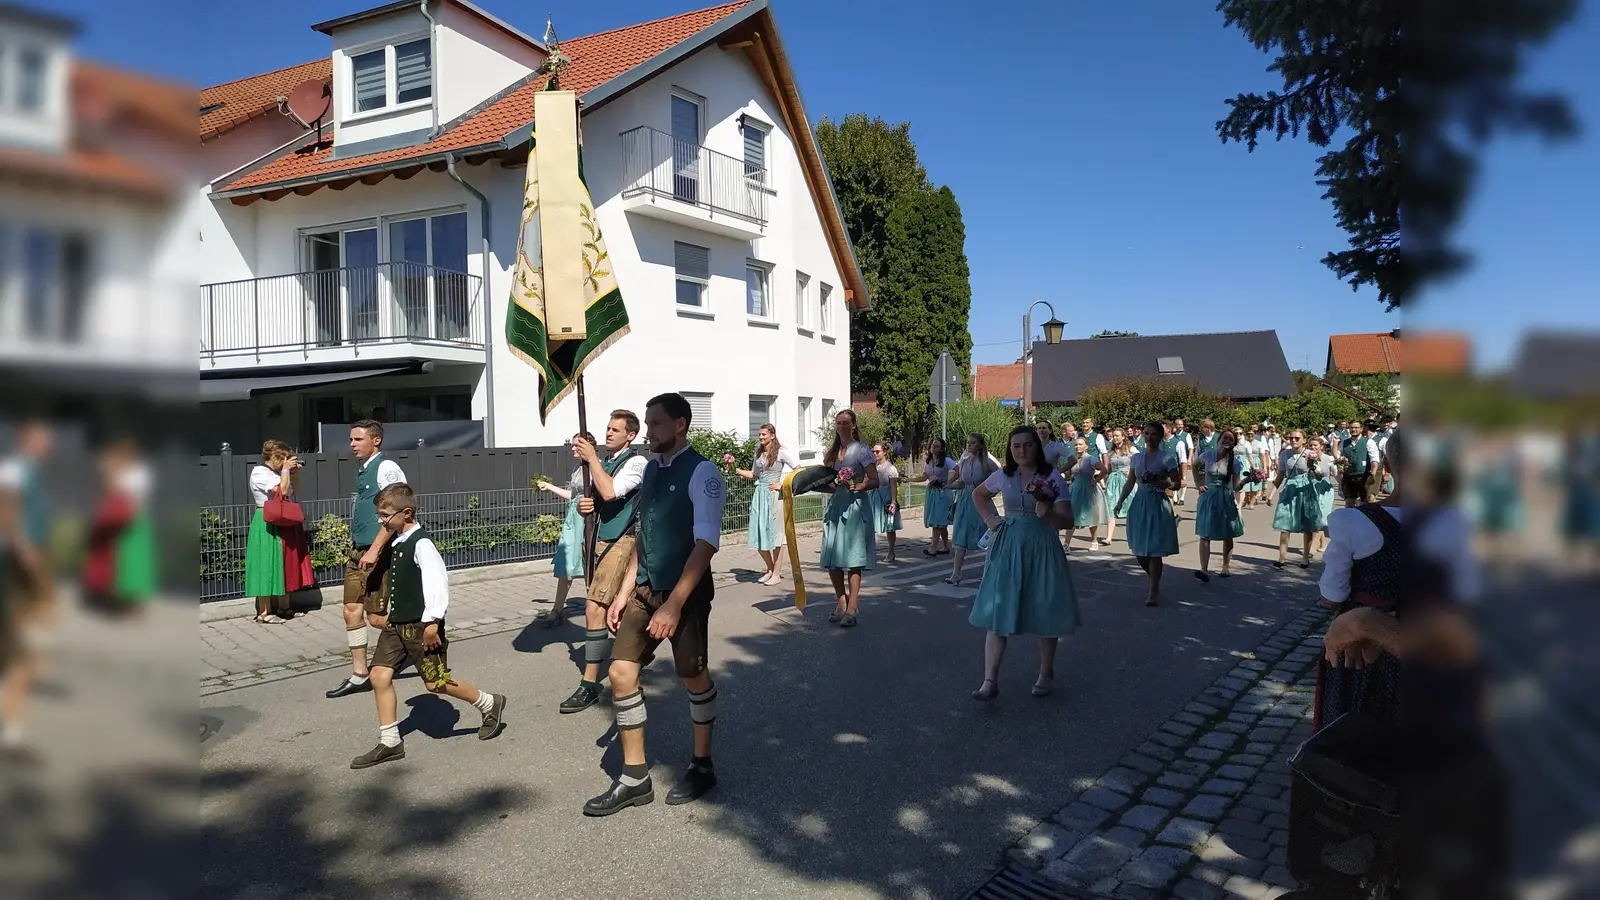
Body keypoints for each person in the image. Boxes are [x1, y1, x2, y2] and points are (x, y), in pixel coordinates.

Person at [588, 392, 726, 815]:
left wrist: (674, 605)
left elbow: (705, 545)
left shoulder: (703, 473)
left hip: (684, 595)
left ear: (680, 424)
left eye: (656, 424)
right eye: (647, 424)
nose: (649, 432)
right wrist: (626, 591)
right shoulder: (649, 470)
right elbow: (644, 537)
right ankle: (634, 777)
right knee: (621, 672)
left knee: (692, 675)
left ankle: (702, 765)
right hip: (646, 591)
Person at [349, 483, 507, 768]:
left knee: (436, 683)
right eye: (379, 515)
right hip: (396, 625)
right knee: (379, 676)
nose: (381, 522)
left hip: (422, 627)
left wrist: (432, 623)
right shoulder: (397, 541)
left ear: (406, 513)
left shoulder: (421, 543)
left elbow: (436, 584)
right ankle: (390, 741)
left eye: (385, 515)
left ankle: (488, 702)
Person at [968, 426, 1079, 701]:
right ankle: (989, 680)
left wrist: (1050, 513)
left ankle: (1046, 672)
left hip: (1042, 544)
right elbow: (978, 495)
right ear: (1010, 448)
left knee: (1045, 606)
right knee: (999, 607)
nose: (1022, 451)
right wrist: (991, 520)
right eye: (1016, 446)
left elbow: (1068, 520)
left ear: (1036, 447)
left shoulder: (1051, 475)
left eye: (1027, 445)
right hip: (1009, 544)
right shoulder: (1004, 475)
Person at [558, 410, 648, 715]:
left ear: (631, 435)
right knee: (611, 611)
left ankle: (590, 683)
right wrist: (587, 505)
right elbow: (598, 499)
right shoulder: (604, 463)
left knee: (593, 607)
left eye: (615, 429)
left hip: (621, 541)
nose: (608, 433)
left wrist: (592, 460)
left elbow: (611, 492)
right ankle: (629, 672)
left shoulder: (636, 463)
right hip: (596, 539)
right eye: (607, 428)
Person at [328, 420, 406, 699]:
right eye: (351, 439)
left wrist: (375, 549)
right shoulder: (362, 470)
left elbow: (399, 510)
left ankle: (414, 637)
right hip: (358, 550)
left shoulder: (386, 468)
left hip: (379, 551)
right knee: (351, 610)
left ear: (376, 441)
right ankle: (360, 674)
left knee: (375, 618)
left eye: (358, 439)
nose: (352, 444)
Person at [819, 410, 879, 627]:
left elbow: (875, 480)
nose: (842, 426)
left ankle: (853, 606)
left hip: (855, 507)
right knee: (832, 558)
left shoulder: (861, 450)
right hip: (837, 506)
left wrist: (857, 485)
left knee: (853, 561)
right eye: (839, 423)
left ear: (853, 426)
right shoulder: (834, 452)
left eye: (846, 423)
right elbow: (828, 481)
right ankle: (840, 601)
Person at [1115, 422, 1183, 606]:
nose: (1149, 437)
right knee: (1139, 550)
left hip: (1158, 502)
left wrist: (1162, 482)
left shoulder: (1167, 458)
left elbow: (1177, 483)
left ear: (1160, 437)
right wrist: (1120, 501)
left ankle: (1153, 589)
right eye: (1147, 433)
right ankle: (1155, 578)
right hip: (1140, 503)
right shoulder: (1136, 458)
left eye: (1153, 434)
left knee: (1153, 550)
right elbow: (1130, 482)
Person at [534, 432, 595, 625]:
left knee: (590, 565)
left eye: (577, 445)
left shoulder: (596, 466)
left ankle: (595, 610)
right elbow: (572, 495)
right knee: (566, 562)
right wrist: (549, 487)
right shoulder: (578, 468)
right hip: (574, 518)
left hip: (588, 518)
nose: (573, 448)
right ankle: (557, 610)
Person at [736, 424, 799, 586]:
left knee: (776, 535)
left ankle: (777, 574)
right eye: (760, 434)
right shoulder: (759, 453)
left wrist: (783, 484)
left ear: (772, 435)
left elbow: (798, 470)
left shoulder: (781, 452)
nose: (761, 437)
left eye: (764, 434)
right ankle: (770, 569)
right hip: (760, 494)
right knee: (758, 532)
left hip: (774, 495)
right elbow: (754, 474)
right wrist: (735, 469)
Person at [245, 441, 300, 624]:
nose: (286, 463)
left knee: (283, 562)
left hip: (281, 519)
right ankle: (264, 612)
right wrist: (285, 471)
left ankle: (285, 607)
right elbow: (282, 491)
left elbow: (294, 491)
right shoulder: (259, 472)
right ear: (275, 457)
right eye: (283, 459)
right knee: (265, 562)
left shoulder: (278, 474)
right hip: (266, 520)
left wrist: (293, 473)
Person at [1272, 430, 1334, 568]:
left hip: (1306, 490)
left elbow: (1318, 475)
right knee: (1284, 524)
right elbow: (1281, 475)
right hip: (1290, 490)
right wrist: (1272, 493)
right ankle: (1282, 558)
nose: (1293, 440)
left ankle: (1305, 558)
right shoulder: (1285, 454)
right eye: (1291, 438)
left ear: (1304, 440)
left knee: (1307, 526)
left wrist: (1313, 466)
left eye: (1296, 438)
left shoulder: (1310, 454)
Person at [1191, 428, 1245, 581]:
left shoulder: (1234, 462)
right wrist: (1198, 482)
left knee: (1227, 533)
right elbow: (1195, 465)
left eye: (1230, 440)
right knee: (1204, 532)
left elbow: (1236, 486)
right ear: (1219, 440)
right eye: (1225, 438)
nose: (1227, 441)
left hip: (1224, 497)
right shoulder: (1207, 455)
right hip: (1207, 496)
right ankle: (1203, 569)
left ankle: (1225, 566)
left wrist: (1249, 480)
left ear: (1233, 444)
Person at [945, 433, 999, 587]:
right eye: (968, 442)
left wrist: (990, 493)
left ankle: (989, 572)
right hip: (964, 501)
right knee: (960, 536)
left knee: (987, 537)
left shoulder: (987, 463)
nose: (969, 445)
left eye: (973, 443)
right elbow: (962, 483)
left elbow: (999, 479)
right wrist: (947, 485)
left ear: (980, 445)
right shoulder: (965, 461)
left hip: (982, 501)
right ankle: (956, 574)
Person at [1064, 436, 1109, 551]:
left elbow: (1104, 470)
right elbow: (1069, 474)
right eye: (1076, 444)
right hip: (1075, 488)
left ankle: (1094, 541)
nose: (1077, 446)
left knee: (1091, 514)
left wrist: (1096, 480)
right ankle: (1066, 544)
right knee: (1072, 515)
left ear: (1086, 446)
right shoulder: (1072, 459)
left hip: (1088, 488)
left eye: (1080, 444)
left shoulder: (1091, 459)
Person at [916, 438, 958, 556]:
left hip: (942, 492)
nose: (934, 448)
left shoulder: (946, 460)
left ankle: (933, 548)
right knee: (941, 522)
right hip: (932, 492)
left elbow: (958, 470)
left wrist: (948, 482)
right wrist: (907, 479)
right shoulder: (929, 461)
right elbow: (924, 477)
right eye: (933, 446)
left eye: (937, 446)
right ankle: (945, 547)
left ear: (942, 448)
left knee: (937, 521)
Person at [871, 443, 903, 563]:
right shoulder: (873, 467)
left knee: (890, 526)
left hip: (886, 499)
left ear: (884, 452)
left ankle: (891, 551)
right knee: (871, 524)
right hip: (875, 498)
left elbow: (893, 486)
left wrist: (893, 501)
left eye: (877, 451)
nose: (875, 454)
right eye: (873, 451)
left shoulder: (890, 468)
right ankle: (870, 551)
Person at [1103, 428, 1134, 545]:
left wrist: (1131, 472)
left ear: (1123, 437)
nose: (1115, 438)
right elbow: (1109, 468)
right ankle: (1109, 537)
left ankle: (1132, 535)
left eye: (1117, 436)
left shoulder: (1131, 450)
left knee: (1129, 508)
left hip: (1127, 481)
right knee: (1111, 507)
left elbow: (1138, 463)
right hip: (1113, 481)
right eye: (1114, 436)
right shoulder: (1111, 452)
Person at [1340, 420, 1382, 507]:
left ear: (1361, 429)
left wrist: (1372, 474)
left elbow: (1374, 459)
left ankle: (1369, 519)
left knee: (1367, 501)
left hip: (1365, 475)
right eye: (1351, 427)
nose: (1353, 429)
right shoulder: (1344, 443)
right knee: (1349, 503)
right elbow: (1337, 457)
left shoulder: (1369, 442)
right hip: (1350, 476)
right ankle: (1350, 519)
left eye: (1356, 427)